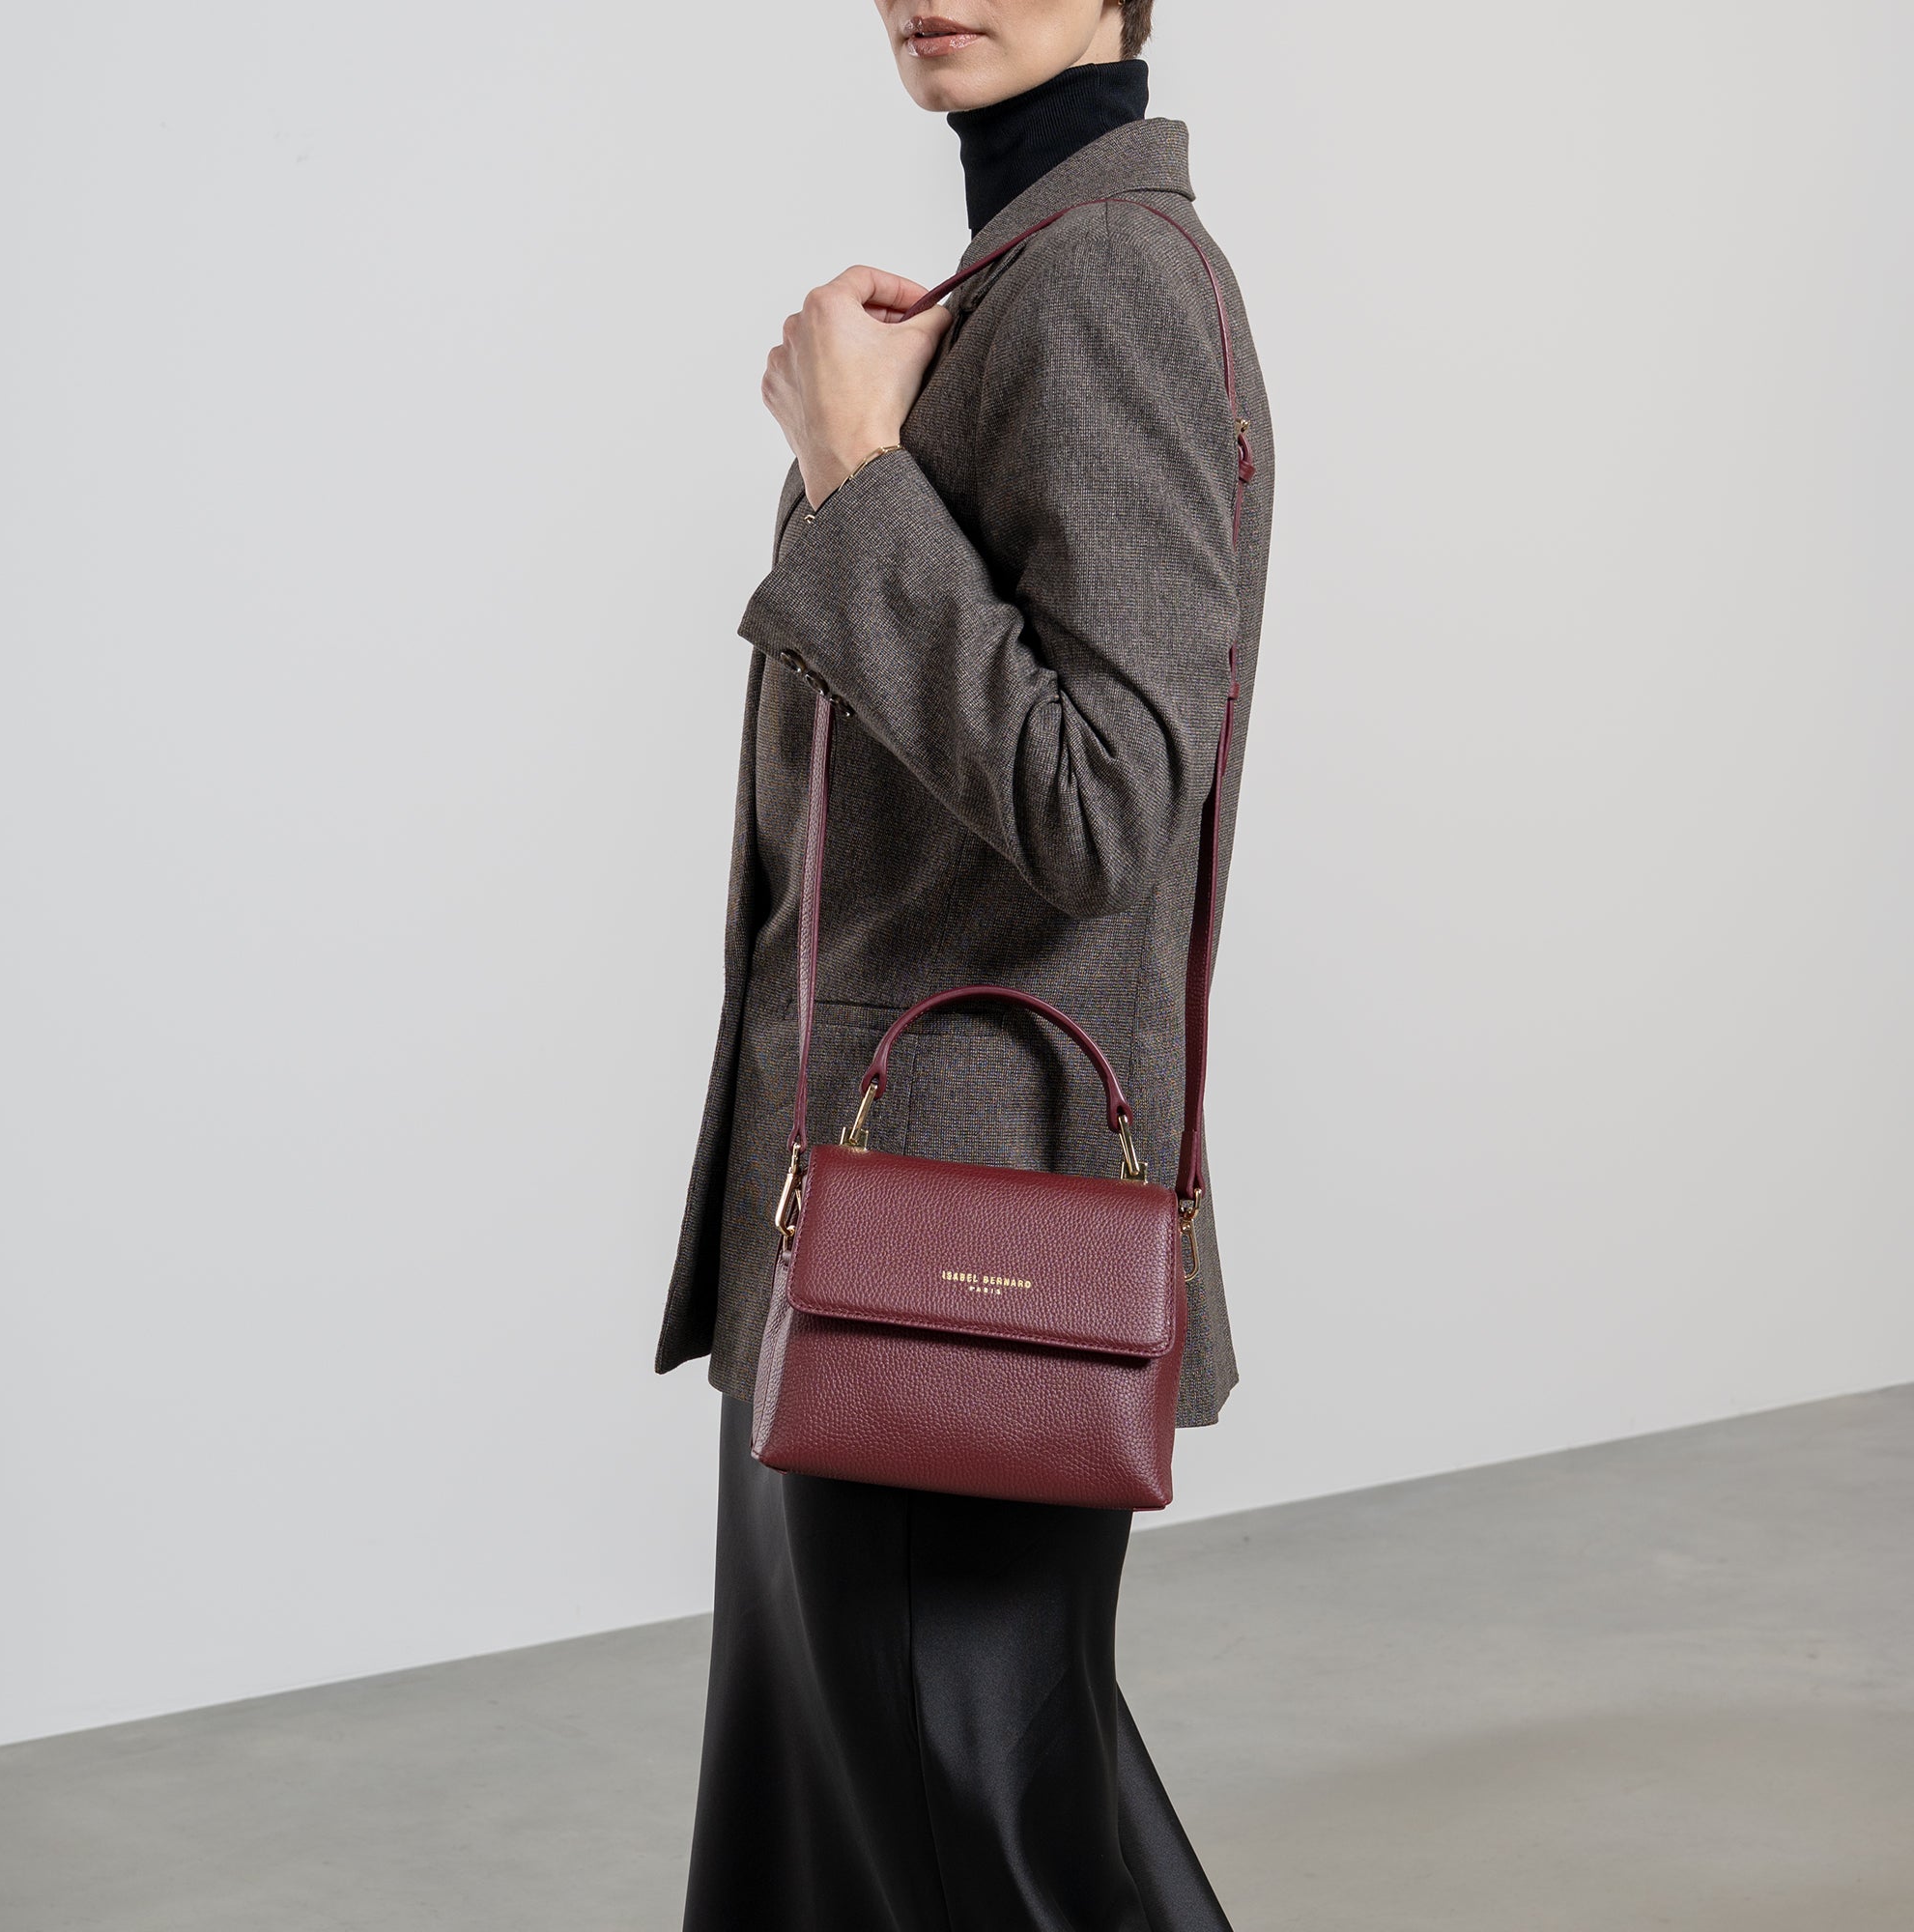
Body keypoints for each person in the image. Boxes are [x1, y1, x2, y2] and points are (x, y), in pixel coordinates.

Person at [657, 3, 1273, 1924]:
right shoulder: (1018, 276)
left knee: (975, 1830)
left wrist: (857, 472)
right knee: (885, 1824)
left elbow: (1107, 802)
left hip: (965, 1244)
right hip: (872, 1210)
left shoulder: (1106, 284)